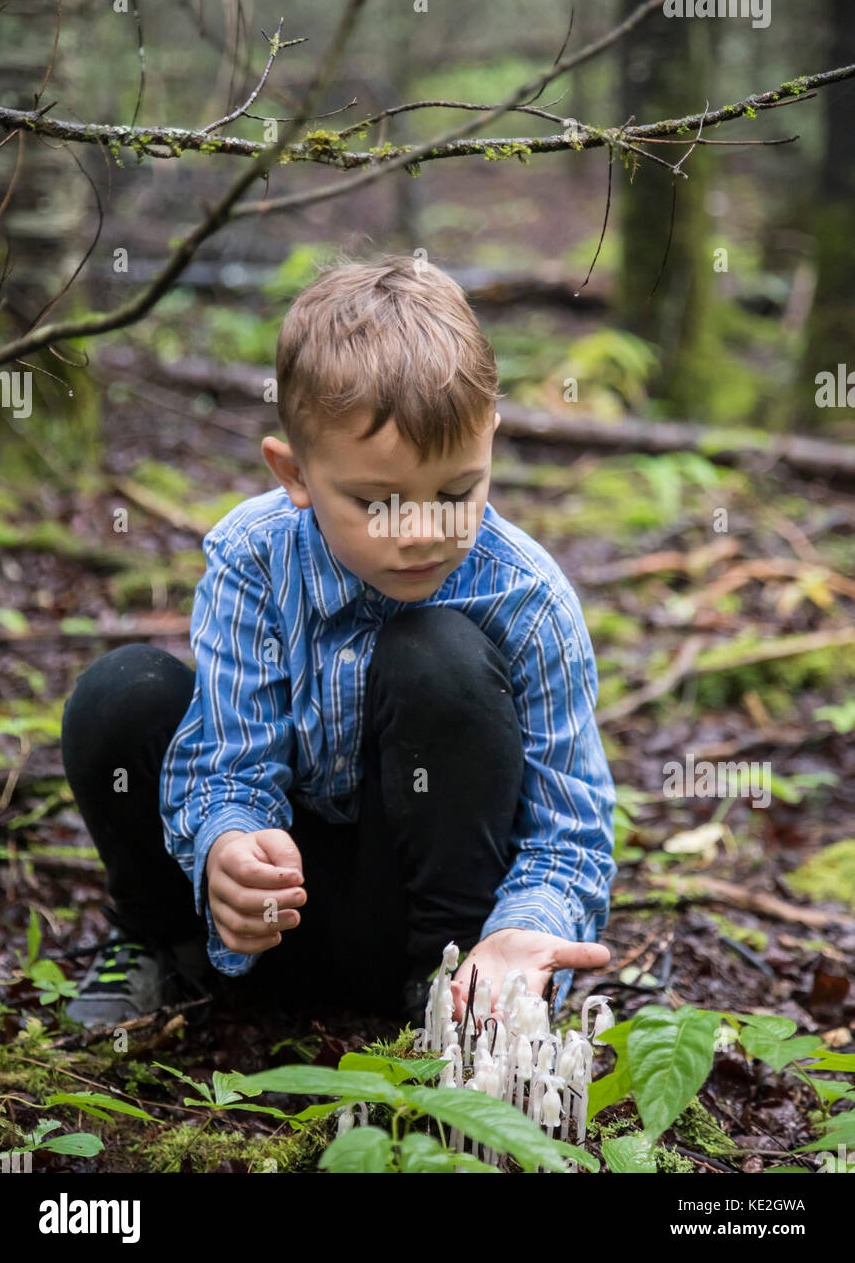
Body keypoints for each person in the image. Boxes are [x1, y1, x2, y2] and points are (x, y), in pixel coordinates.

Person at [61, 254, 615, 1032]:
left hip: (430, 936)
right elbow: (227, 760)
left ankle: (442, 1002)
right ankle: (160, 944)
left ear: (490, 438)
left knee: (438, 656)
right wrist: (228, 846)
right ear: (295, 473)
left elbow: (572, 829)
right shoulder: (254, 558)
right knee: (121, 692)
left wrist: (525, 929)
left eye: (457, 493)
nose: (423, 533)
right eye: (377, 502)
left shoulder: (526, 599)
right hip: (273, 923)